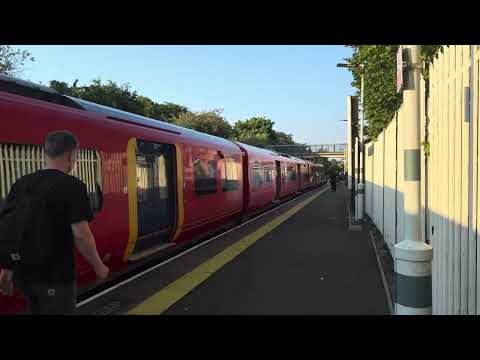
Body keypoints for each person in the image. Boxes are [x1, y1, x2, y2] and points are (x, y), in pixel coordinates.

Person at [0, 130, 109, 314]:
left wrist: (7, 268)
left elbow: (13, 226)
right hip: (54, 277)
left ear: (46, 153)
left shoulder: (22, 183)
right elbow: (81, 234)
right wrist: (98, 266)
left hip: (24, 276)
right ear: (71, 155)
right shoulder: (73, 186)